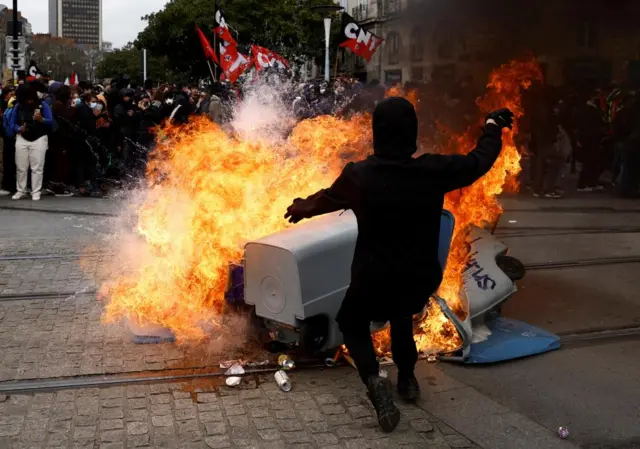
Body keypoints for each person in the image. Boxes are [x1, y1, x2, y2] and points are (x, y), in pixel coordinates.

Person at [284, 98, 512, 432]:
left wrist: (302, 207)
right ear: (412, 134)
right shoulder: (432, 171)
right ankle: (407, 380)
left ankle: (374, 379)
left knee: (352, 321)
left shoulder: (358, 175)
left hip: (372, 275)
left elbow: (324, 200)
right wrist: (492, 128)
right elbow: (479, 161)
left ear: (377, 134)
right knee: (401, 315)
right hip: (418, 275)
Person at [8, 83, 54, 201]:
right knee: (21, 167)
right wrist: (19, 128)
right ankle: (21, 190)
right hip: (22, 138)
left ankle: (36, 191)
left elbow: (50, 121)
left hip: (39, 138)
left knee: (37, 167)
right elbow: (12, 123)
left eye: (30, 99)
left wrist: (41, 119)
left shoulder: (42, 105)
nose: (29, 102)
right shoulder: (18, 107)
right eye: (26, 99)